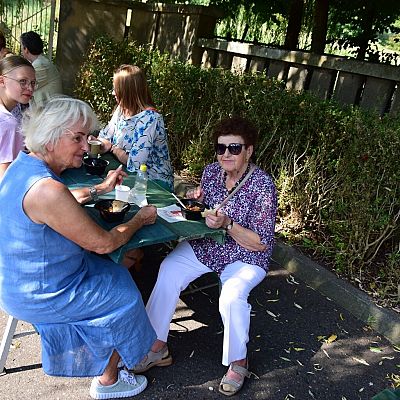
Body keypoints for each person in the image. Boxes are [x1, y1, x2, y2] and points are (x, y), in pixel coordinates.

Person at [0, 96, 159, 399]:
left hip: (19, 280)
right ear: (50, 137)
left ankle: (113, 353)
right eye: (78, 138)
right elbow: (104, 243)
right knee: (124, 293)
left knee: (121, 268)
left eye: (87, 137)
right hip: (42, 292)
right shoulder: (48, 190)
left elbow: (61, 201)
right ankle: (109, 381)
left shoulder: (23, 165)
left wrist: (100, 189)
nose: (87, 146)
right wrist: (139, 219)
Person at [133, 117, 277, 396]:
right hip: (208, 246)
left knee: (232, 297)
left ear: (249, 150)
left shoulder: (262, 185)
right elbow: (202, 207)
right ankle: (157, 346)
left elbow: (260, 243)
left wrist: (227, 224)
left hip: (245, 256)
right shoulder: (212, 172)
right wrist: (194, 199)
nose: (226, 154)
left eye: (234, 148)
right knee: (169, 270)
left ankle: (238, 360)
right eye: (220, 148)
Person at [96, 64, 173, 191]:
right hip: (126, 174)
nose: (113, 93)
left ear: (127, 91)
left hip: (154, 184)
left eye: (116, 89)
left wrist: (114, 149)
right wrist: (97, 144)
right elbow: (105, 137)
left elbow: (135, 163)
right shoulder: (121, 109)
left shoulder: (150, 118)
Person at [0, 55, 36, 180]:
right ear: (2, 81)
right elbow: (5, 178)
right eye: (22, 81)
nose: (30, 88)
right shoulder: (8, 123)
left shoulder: (18, 108)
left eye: (33, 83)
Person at [20, 31, 62, 108]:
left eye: (22, 47)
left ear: (26, 49)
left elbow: (22, 86)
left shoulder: (40, 65)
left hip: (50, 111)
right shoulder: (41, 61)